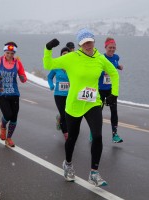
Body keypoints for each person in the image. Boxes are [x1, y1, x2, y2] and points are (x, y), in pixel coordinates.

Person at [43, 28, 119, 187]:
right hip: (74, 104)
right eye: (84, 43)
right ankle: (68, 164)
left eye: (90, 42)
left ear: (94, 41)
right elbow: (48, 64)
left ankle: (94, 173)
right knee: (72, 138)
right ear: (79, 44)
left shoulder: (100, 58)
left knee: (97, 136)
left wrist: (114, 94)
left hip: (92, 103)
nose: (88, 45)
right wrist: (48, 48)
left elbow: (114, 74)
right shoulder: (71, 57)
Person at [0, 42, 27, 147]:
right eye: (8, 53)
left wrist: (23, 78)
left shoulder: (18, 63)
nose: (9, 55)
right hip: (1, 92)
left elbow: (23, 75)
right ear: (4, 52)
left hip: (14, 92)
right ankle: (2, 125)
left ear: (14, 53)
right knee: (8, 115)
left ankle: (9, 139)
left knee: (14, 118)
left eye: (12, 53)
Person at [91, 37, 124, 143]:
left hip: (111, 90)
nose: (112, 49)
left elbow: (114, 64)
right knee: (97, 113)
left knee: (114, 112)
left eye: (114, 47)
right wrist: (103, 73)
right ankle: (93, 133)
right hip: (100, 90)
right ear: (105, 47)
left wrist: (118, 66)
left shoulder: (116, 57)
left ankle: (115, 135)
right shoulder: (100, 58)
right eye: (110, 47)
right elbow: (94, 71)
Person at [47, 47, 70, 141]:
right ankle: (66, 134)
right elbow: (49, 77)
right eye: (63, 53)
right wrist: (51, 85)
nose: (65, 55)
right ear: (61, 55)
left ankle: (60, 120)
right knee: (63, 114)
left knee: (69, 115)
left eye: (67, 53)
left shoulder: (73, 66)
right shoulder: (56, 66)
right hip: (59, 94)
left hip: (70, 94)